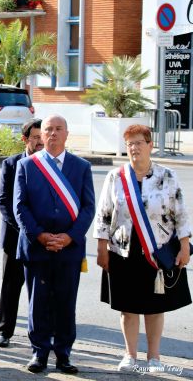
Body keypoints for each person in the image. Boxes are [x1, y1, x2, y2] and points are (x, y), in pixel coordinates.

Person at [93, 124, 191, 373]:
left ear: (150, 145)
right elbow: (104, 214)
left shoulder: (166, 176)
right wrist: (101, 247)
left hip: (158, 250)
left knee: (155, 306)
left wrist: (184, 245)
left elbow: (180, 213)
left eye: (139, 142)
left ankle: (154, 357)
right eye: (130, 144)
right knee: (128, 305)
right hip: (123, 251)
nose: (134, 148)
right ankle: (130, 355)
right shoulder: (116, 177)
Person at [14, 114, 95, 374]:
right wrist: (39, 235)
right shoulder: (27, 165)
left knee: (65, 303)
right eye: (48, 129)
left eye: (59, 129)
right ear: (41, 134)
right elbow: (20, 206)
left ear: (67, 134)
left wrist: (70, 236)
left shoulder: (81, 166)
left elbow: (88, 207)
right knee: (37, 304)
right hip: (37, 247)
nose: (53, 134)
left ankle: (63, 355)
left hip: (68, 249)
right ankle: (39, 353)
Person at [0, 118, 43, 348]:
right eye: (35, 138)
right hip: (16, 236)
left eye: (42, 137)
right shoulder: (11, 164)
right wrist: (26, 228)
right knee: (11, 286)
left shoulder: (51, 164)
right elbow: (4, 202)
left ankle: (42, 335)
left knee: (42, 289)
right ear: (25, 139)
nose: (40, 142)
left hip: (43, 238)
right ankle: (4, 331)